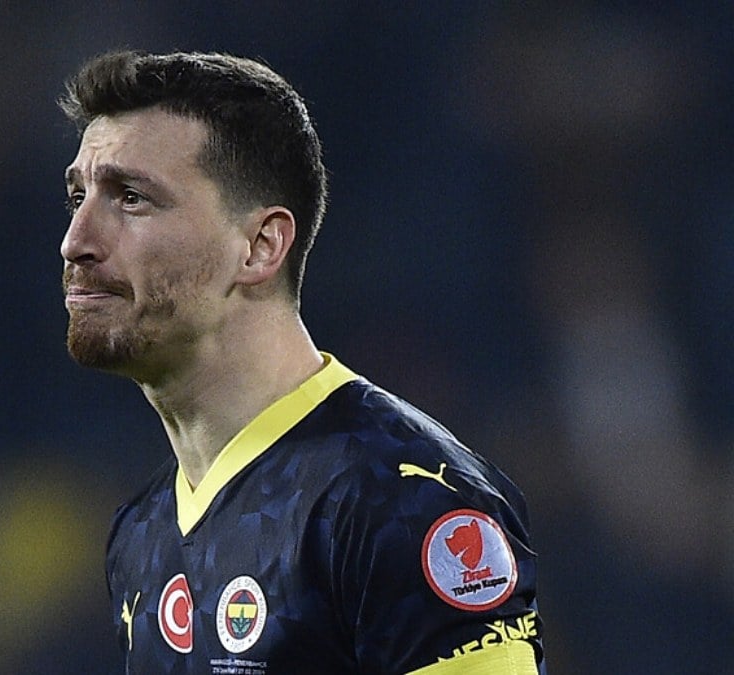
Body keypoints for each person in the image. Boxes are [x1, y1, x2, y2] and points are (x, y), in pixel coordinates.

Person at [57, 50, 543, 674]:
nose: (76, 241)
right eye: (78, 197)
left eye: (130, 198)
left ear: (261, 247)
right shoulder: (141, 533)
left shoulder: (401, 500)